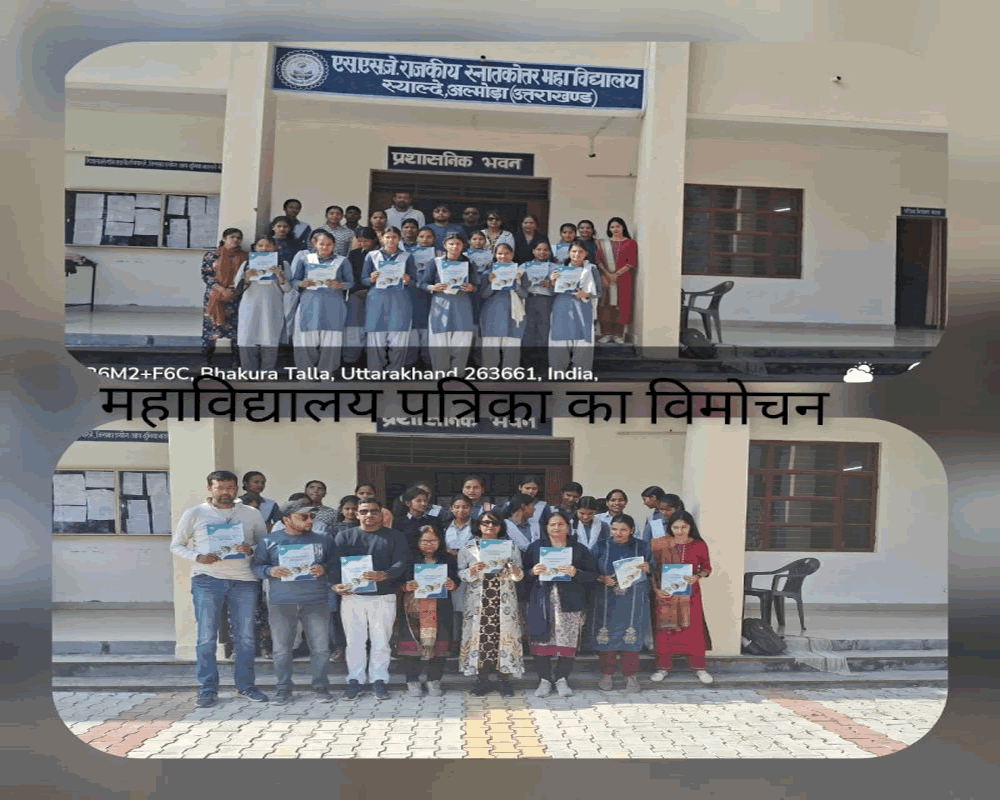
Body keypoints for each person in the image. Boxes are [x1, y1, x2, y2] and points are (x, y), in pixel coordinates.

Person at [169, 470, 269, 708]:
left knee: (246, 638)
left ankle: (246, 686)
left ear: (237, 488)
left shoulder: (251, 513)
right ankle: (207, 689)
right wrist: (198, 557)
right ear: (209, 488)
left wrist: (251, 549)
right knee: (206, 638)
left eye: (230, 487)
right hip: (207, 579)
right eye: (220, 487)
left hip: (244, 581)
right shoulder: (195, 513)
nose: (226, 492)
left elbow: (264, 545)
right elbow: (176, 545)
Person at [251, 500, 338, 703]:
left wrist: (325, 569)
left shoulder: (324, 540)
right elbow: (256, 567)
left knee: (320, 648)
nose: (310, 521)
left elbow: (335, 565)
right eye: (303, 517)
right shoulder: (269, 541)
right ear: (286, 519)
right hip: (282, 602)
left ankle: (321, 687)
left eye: (311, 517)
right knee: (281, 649)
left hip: (316, 600)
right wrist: (270, 570)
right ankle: (283, 689)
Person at [332, 498, 410, 700]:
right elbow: (333, 564)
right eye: (364, 511)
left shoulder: (395, 536)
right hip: (353, 596)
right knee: (354, 641)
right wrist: (335, 585)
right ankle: (355, 680)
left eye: (374, 511)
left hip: (383, 596)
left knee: (381, 641)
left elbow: (402, 562)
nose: (369, 515)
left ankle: (379, 680)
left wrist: (386, 574)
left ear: (381, 514)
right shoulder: (344, 536)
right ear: (357, 514)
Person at [522, 510, 596, 697]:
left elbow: (592, 576)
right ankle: (545, 680)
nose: (556, 528)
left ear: (568, 527)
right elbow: (522, 574)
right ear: (546, 528)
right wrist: (532, 571)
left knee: (567, 641)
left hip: (569, 601)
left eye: (561, 524)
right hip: (542, 600)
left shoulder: (579, 549)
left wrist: (576, 573)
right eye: (552, 524)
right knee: (541, 640)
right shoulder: (536, 547)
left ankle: (562, 679)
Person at [458, 511, 524, 696]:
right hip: (479, 600)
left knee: (504, 638)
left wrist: (512, 569)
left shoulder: (510, 547)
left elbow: (519, 575)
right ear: (478, 525)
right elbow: (460, 574)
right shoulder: (468, 548)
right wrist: (472, 571)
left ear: (501, 526)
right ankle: (482, 680)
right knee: (480, 638)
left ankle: (504, 680)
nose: (490, 526)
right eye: (485, 523)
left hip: (503, 599)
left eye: (495, 523)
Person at [589, 514, 652, 693]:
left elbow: (654, 567)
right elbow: (589, 570)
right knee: (606, 636)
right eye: (615, 529)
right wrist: (601, 578)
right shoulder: (601, 546)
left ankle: (630, 676)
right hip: (606, 599)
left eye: (623, 529)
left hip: (633, 599)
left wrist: (648, 568)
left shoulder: (642, 546)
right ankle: (607, 674)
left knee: (631, 635)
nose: (618, 533)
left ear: (632, 530)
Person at [650, 511, 713, 685]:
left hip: (690, 593)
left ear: (690, 527)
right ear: (670, 527)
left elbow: (707, 568)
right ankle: (662, 667)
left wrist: (697, 576)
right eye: (675, 527)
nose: (679, 531)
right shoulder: (660, 544)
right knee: (665, 630)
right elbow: (653, 570)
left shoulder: (699, 545)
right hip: (666, 594)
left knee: (694, 629)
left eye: (684, 527)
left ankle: (699, 668)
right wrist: (656, 590)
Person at [400, 526, 460, 697]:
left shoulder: (448, 559)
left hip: (440, 607)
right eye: (425, 541)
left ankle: (434, 680)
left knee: (440, 644)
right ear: (417, 542)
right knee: (412, 644)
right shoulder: (408, 558)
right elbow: (398, 580)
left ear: (440, 542)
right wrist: (406, 586)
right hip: (414, 607)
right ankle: (412, 680)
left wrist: (452, 584)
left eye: (433, 541)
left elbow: (456, 580)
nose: (429, 544)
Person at [290, 229, 353, 375]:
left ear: (334, 245)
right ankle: (305, 372)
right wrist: (302, 283)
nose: (325, 247)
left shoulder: (342, 261)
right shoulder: (305, 259)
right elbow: (293, 280)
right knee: (306, 339)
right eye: (322, 244)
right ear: (315, 244)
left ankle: (327, 371)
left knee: (331, 339)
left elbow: (351, 282)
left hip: (333, 304)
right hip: (309, 303)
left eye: (329, 244)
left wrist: (340, 285)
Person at [362, 227, 418, 372]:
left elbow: (415, 281)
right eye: (387, 237)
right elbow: (363, 279)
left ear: (399, 239)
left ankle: (395, 370)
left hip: (399, 299)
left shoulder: (407, 256)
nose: (390, 240)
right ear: (381, 238)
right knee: (376, 336)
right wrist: (371, 279)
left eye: (394, 237)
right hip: (377, 299)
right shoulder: (372, 256)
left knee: (398, 336)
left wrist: (408, 280)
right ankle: (375, 370)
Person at [233, 236, 290, 371]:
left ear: (274, 247)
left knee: (270, 338)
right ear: (255, 247)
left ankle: (267, 372)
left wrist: (280, 276)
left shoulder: (283, 264)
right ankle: (248, 371)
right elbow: (237, 287)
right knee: (247, 338)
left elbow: (288, 289)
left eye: (268, 245)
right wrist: (247, 278)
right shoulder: (246, 264)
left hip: (272, 306)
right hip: (250, 305)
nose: (264, 248)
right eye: (260, 245)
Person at [422, 232, 476, 372]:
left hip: (462, 304)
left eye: (458, 244)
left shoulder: (469, 262)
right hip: (441, 304)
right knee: (439, 341)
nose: (454, 247)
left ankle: (457, 374)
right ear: (445, 245)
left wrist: (472, 288)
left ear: (463, 246)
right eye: (451, 244)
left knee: (462, 340)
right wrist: (432, 287)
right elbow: (423, 283)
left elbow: (477, 284)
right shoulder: (435, 262)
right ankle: (441, 374)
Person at [549, 241, 598, 373]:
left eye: (581, 251)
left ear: (586, 253)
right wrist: (552, 281)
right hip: (562, 307)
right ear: (569, 253)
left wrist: (586, 294)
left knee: (583, 340)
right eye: (574, 251)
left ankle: (581, 372)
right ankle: (558, 370)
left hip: (583, 307)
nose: (577, 254)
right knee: (560, 339)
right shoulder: (559, 269)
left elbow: (599, 291)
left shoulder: (591, 269)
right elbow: (552, 292)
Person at [200, 227, 246, 362]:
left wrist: (236, 291)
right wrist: (221, 289)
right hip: (215, 296)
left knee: (237, 331)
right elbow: (206, 275)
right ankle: (206, 361)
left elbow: (246, 277)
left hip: (236, 298)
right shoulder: (212, 255)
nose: (236, 240)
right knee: (211, 331)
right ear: (224, 239)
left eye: (238, 238)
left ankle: (236, 362)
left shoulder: (245, 257)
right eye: (232, 237)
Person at [480, 242, 528, 370]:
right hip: (492, 313)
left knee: (512, 346)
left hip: (514, 314)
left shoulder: (521, 273)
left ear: (512, 254)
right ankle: (489, 375)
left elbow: (525, 294)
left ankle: (510, 375)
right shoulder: (488, 272)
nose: (503, 256)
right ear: (495, 255)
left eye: (507, 253)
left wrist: (517, 285)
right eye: (500, 253)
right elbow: (483, 295)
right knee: (491, 346)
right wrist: (491, 283)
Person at [597, 217, 638, 344]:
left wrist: (617, 274)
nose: (615, 229)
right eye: (612, 227)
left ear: (623, 227)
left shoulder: (630, 243)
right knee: (605, 306)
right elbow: (598, 260)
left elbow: (632, 261)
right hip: (606, 279)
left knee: (622, 306)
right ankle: (606, 334)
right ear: (609, 229)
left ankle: (618, 335)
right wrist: (607, 275)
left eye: (618, 226)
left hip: (624, 280)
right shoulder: (603, 244)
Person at [343, 227, 378, 365]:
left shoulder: (381, 254)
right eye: (360, 241)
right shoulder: (354, 254)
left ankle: (371, 359)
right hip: (356, 294)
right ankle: (351, 359)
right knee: (354, 327)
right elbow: (349, 275)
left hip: (376, 294)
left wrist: (369, 290)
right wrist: (357, 290)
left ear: (374, 240)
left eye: (366, 241)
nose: (363, 244)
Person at [521, 240, 557, 370]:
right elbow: (516, 282)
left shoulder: (555, 268)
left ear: (550, 252)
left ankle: (543, 361)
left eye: (545, 250)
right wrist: (524, 282)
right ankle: (527, 361)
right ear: (533, 251)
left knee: (544, 329)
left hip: (546, 300)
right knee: (528, 329)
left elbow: (563, 287)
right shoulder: (524, 266)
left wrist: (552, 284)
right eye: (539, 249)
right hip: (529, 299)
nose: (542, 252)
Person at [406, 227, 438, 367]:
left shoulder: (441, 255)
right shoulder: (407, 255)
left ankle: (428, 362)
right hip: (412, 294)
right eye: (422, 236)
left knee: (429, 331)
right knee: (412, 330)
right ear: (417, 238)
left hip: (431, 297)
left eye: (429, 237)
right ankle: (410, 362)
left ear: (434, 239)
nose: (425, 239)